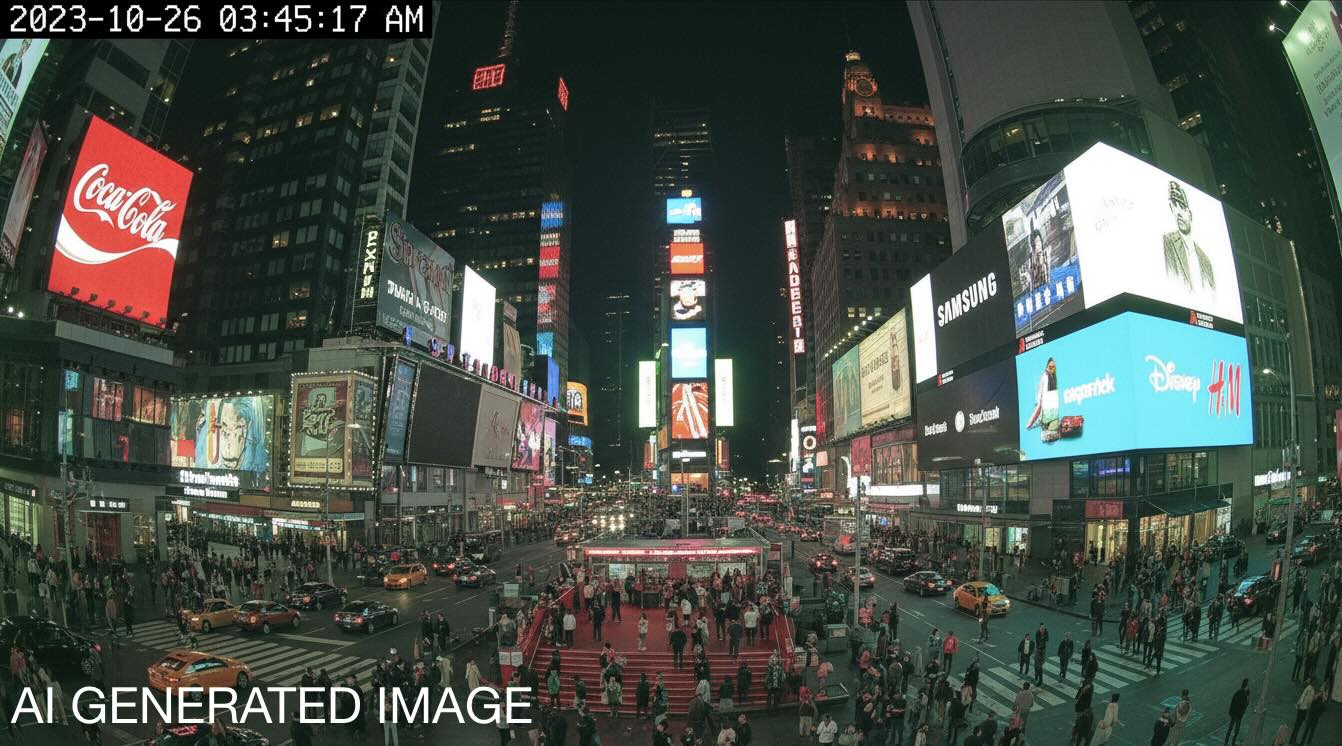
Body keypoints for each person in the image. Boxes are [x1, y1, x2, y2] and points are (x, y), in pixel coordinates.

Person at [1226, 679, 1249, 745]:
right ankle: (1233, 742)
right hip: (1238, 714)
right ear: (1246, 686)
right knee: (1237, 729)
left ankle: (1227, 740)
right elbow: (1245, 704)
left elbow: (1233, 702)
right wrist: (1247, 696)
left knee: (1231, 726)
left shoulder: (1238, 692)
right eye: (1248, 686)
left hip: (1233, 713)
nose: (1248, 687)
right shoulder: (1243, 694)